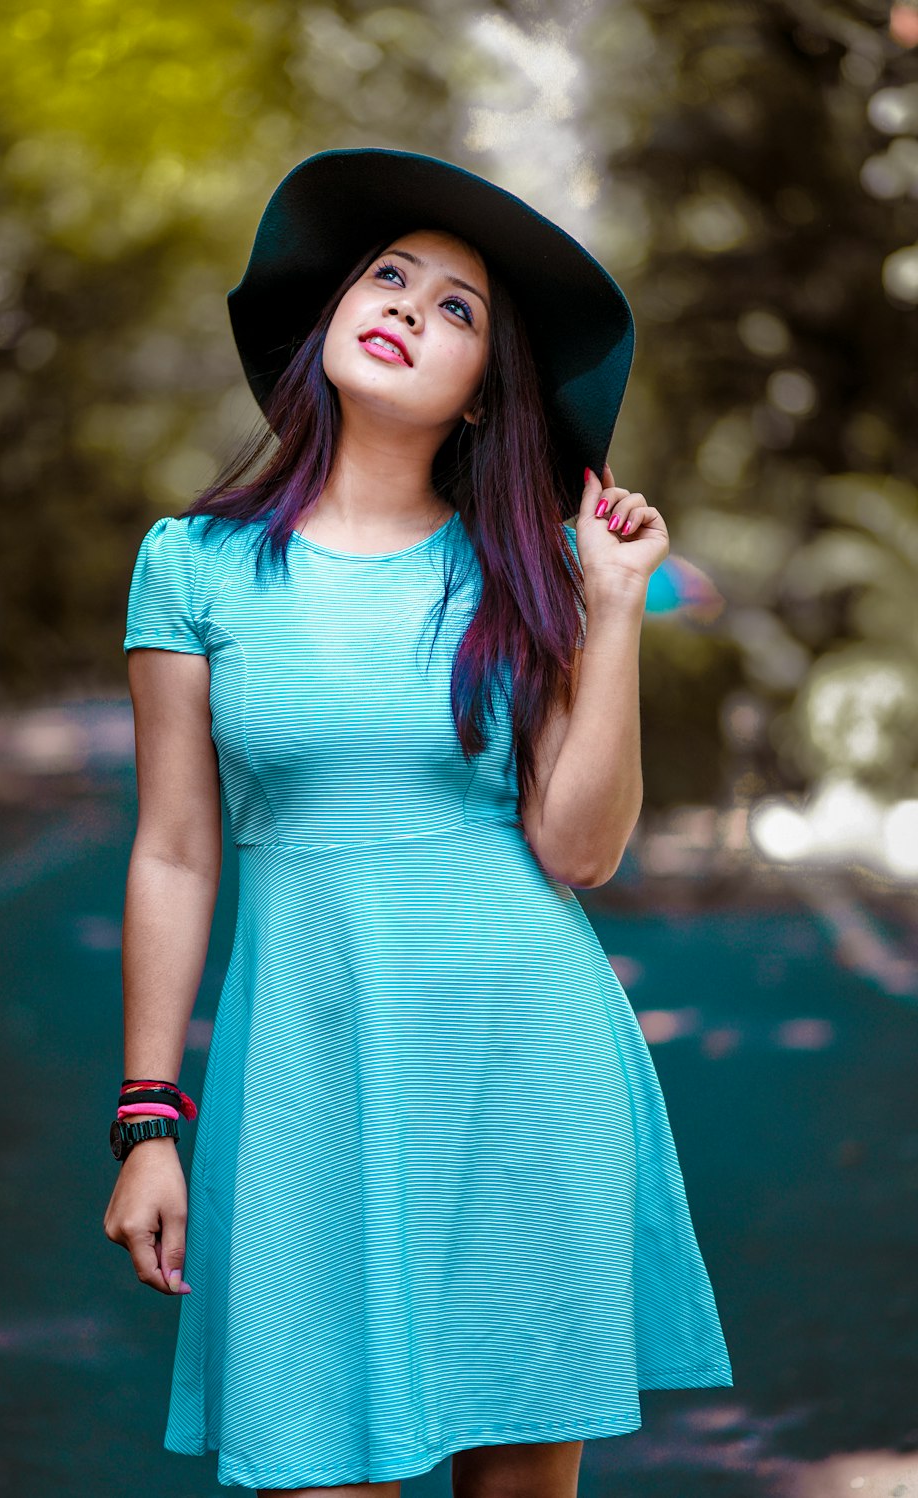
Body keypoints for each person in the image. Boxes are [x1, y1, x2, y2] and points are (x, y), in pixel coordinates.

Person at [103, 147, 733, 1497]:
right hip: (303, 1087)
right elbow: (173, 848)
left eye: (459, 310)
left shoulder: (523, 578)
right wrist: (147, 1116)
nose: (408, 306)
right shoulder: (194, 564)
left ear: (478, 397)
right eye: (390, 276)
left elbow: (580, 849)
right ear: (329, 314)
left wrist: (613, 605)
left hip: (519, 1068)